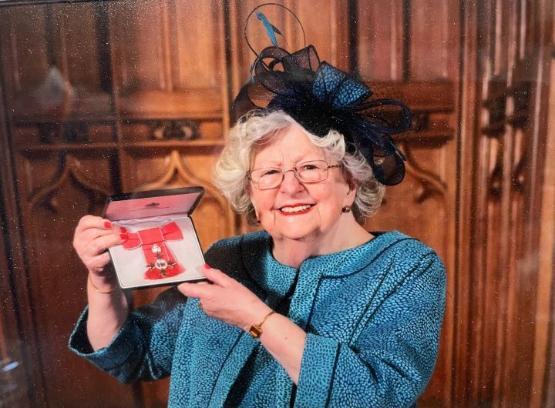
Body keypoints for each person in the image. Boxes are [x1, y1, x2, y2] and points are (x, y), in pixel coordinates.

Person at [69, 25, 446, 408]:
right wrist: (103, 284)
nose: (290, 188)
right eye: (269, 173)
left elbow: (379, 396)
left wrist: (257, 319)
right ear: (249, 193)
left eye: (311, 168)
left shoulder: (405, 267)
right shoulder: (225, 259)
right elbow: (134, 355)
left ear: (351, 183)